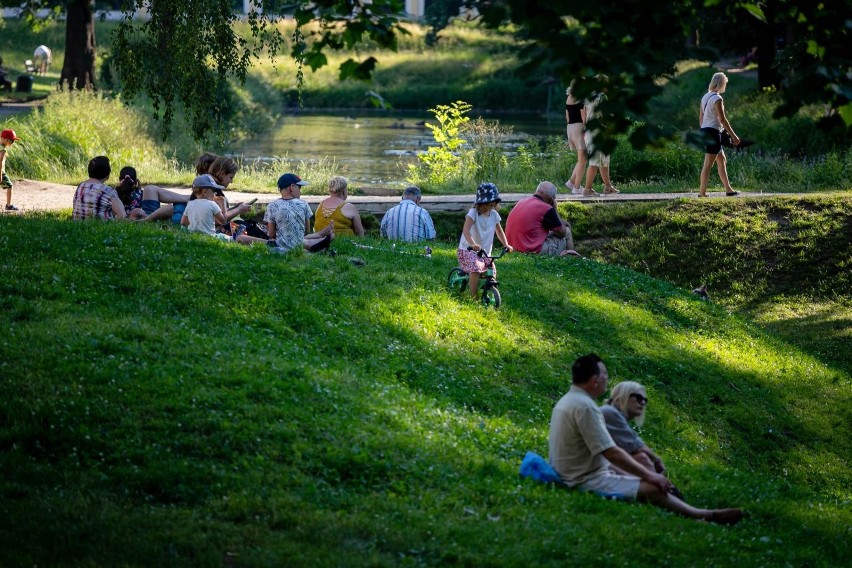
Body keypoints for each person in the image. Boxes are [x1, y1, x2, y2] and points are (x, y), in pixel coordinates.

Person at [548, 353, 744, 524]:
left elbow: (603, 454)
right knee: (652, 486)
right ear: (594, 381)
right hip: (583, 480)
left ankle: (694, 511)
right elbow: (611, 452)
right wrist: (650, 475)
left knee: (641, 475)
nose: (608, 378)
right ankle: (702, 515)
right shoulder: (586, 407)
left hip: (578, 471)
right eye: (605, 374)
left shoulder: (570, 400)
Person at [457, 182, 513, 299]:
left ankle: (489, 290)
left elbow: (499, 231)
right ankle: (474, 297)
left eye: (493, 205)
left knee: (491, 270)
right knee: (476, 269)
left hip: (484, 252)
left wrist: (506, 244)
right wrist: (472, 243)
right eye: (488, 205)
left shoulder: (494, 215)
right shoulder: (473, 213)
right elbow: (466, 230)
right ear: (481, 203)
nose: (490, 208)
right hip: (468, 250)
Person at [601, 381, 668, 476]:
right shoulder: (610, 413)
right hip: (586, 466)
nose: (643, 403)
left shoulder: (611, 414)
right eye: (639, 398)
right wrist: (657, 461)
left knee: (640, 458)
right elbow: (637, 446)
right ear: (624, 395)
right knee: (642, 458)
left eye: (645, 400)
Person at [180, 174, 268, 246]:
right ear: (205, 192)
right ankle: (269, 242)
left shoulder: (190, 203)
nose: (215, 193)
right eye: (213, 191)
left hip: (194, 235)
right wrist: (222, 203)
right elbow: (223, 221)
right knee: (239, 237)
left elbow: (183, 222)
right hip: (211, 236)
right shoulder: (212, 204)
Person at [264, 173, 334, 253]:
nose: (300, 192)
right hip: (299, 245)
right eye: (299, 188)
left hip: (281, 247)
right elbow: (306, 233)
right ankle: (318, 240)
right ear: (292, 187)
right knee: (300, 240)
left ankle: (318, 240)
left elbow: (271, 234)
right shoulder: (303, 204)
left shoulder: (272, 205)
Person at [505, 181, 578, 257]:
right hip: (530, 250)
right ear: (552, 199)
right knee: (567, 232)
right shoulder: (546, 208)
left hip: (514, 247)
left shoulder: (522, 202)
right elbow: (562, 233)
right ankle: (571, 257)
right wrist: (554, 209)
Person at [699, 72, 740, 198]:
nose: (725, 86)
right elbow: (723, 119)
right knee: (708, 164)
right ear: (721, 83)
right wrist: (734, 136)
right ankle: (702, 193)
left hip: (706, 131)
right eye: (725, 84)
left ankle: (728, 189)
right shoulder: (717, 98)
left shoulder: (705, 97)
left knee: (722, 160)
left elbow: (700, 118)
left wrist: (704, 130)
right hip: (712, 133)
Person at [582, 90, 619, 196]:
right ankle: (587, 189)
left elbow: (583, 116)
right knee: (595, 162)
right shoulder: (602, 96)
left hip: (590, 131)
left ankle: (608, 187)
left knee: (604, 160)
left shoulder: (587, 97)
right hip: (599, 132)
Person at [72, 156, 127, 220]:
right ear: (107, 174)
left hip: (78, 225)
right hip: (101, 227)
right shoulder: (109, 191)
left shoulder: (81, 186)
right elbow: (122, 216)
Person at [563, 81, 593, 196]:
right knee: (582, 160)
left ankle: (571, 182)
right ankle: (576, 187)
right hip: (578, 127)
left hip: (569, 127)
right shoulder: (580, 98)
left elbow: (567, 116)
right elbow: (583, 118)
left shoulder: (569, 97)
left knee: (582, 159)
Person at [1, 129, 20, 211]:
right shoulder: (3, 150)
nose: (12, 143)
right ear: (7, 140)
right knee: (10, 185)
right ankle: (8, 205)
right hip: (1, 172)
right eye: (12, 141)